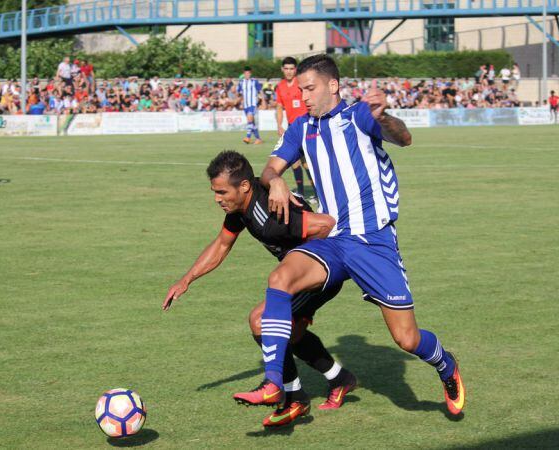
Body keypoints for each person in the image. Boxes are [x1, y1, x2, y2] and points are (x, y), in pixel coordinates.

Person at [232, 55, 466, 418]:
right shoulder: (300, 128)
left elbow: (403, 138)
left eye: (310, 88)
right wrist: (274, 180)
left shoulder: (358, 116)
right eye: (300, 89)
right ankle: (274, 383)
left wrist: (382, 116)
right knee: (280, 278)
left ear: (333, 85)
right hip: (334, 239)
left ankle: (446, 365)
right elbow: (269, 168)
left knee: (407, 339)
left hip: (373, 241)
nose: (304, 96)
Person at [163, 150, 357, 427]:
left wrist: (307, 262)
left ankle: (294, 398)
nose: (217, 199)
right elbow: (221, 245)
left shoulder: (271, 214)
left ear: (243, 187)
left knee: (261, 321)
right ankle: (339, 379)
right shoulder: (242, 206)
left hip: (315, 274)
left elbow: (326, 224)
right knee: (293, 333)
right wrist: (186, 279)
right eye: (214, 192)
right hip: (299, 277)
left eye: (221, 192)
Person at [275, 57, 313, 199]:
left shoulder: (301, 83)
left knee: (307, 162)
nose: (289, 71)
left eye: (292, 69)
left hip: (306, 125)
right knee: (294, 161)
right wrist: (279, 125)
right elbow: (279, 107)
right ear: (282, 69)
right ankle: (301, 193)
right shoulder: (280, 87)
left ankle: (317, 193)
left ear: (295, 69)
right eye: (286, 68)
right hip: (292, 128)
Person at [237, 67, 262, 145]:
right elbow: (239, 93)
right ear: (244, 74)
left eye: (248, 73)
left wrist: (262, 101)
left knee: (250, 119)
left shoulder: (254, 81)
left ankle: (248, 137)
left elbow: (260, 91)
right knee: (252, 123)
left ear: (250, 74)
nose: (247, 75)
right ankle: (258, 139)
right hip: (245, 105)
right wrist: (239, 101)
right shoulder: (241, 82)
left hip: (252, 104)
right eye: (245, 73)